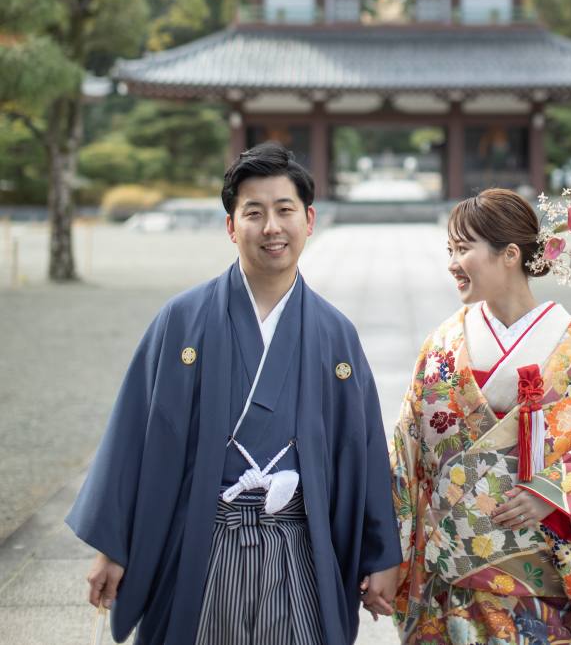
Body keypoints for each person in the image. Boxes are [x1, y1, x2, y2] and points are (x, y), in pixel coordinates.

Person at [67, 141, 401, 645]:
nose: (272, 227)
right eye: (254, 213)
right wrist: (112, 547)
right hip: (200, 539)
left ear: (309, 220)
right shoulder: (182, 320)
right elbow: (134, 433)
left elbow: (365, 449)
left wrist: (380, 556)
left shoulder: (336, 334)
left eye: (285, 210)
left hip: (299, 545)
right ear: (231, 226)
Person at [390, 188, 571, 643]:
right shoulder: (443, 345)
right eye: (450, 249)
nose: (451, 263)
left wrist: (553, 494)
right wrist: (386, 555)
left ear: (509, 255)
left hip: (540, 591)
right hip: (453, 582)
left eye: (463, 249)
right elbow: (406, 450)